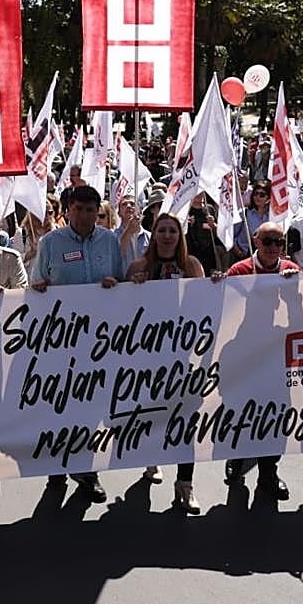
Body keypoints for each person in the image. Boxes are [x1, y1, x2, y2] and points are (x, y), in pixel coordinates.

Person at [31, 184, 124, 503]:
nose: (85, 216)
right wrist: (40, 288)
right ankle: (56, 470)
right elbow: (34, 284)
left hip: (99, 342)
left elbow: (123, 283)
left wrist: (116, 285)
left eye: (90, 210)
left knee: (91, 409)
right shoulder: (50, 243)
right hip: (61, 342)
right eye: (78, 209)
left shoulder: (110, 241)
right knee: (60, 406)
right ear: (67, 210)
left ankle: (88, 471)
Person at [127, 212, 206, 512]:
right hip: (148, 359)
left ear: (180, 235)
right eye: (162, 230)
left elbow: (205, 305)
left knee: (186, 422)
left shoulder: (191, 265)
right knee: (152, 416)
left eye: (173, 230)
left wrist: (212, 284)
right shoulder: (139, 266)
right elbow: (122, 312)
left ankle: (185, 484)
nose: (168, 235)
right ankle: (151, 459)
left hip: (184, 359)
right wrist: (131, 287)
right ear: (154, 233)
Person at [221, 221, 298, 501]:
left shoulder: (291, 272)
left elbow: (302, 314)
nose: (274, 248)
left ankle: (268, 473)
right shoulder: (240, 271)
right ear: (256, 241)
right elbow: (225, 311)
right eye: (269, 241)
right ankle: (237, 460)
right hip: (244, 355)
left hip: (277, 357)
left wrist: (294, 291)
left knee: (276, 416)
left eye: (280, 243)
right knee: (244, 413)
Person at [185, 194, 227, 276]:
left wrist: (213, 225)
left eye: (201, 191)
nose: (199, 194)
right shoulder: (186, 210)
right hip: (191, 253)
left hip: (209, 254)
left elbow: (218, 232)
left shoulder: (209, 209)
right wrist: (187, 224)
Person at [234, 180, 271, 256]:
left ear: (268, 198)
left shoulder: (271, 216)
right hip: (245, 253)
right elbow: (232, 234)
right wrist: (237, 250)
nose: (257, 197)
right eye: (255, 194)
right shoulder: (245, 212)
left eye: (262, 195)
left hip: (265, 255)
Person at [114, 194, 150, 270]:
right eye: (124, 204)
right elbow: (115, 258)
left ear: (140, 210)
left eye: (133, 204)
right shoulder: (112, 236)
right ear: (119, 213)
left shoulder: (150, 237)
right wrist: (129, 231)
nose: (129, 206)